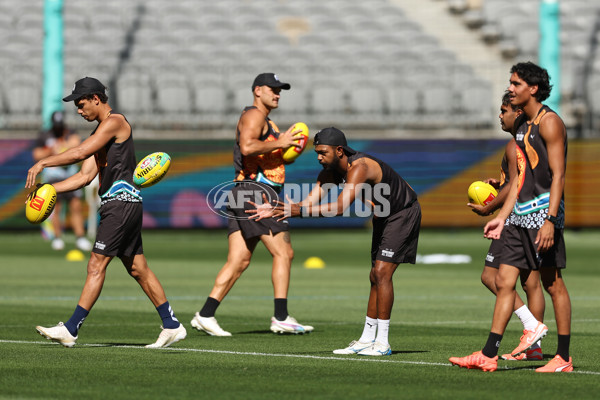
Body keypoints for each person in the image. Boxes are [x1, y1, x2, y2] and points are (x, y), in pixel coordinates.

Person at [26, 77, 186, 348]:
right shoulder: (99, 133)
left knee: (96, 264)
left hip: (121, 203)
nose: (78, 110)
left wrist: (43, 162)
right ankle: (172, 325)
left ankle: (72, 328)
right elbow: (84, 176)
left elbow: (79, 152)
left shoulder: (115, 122)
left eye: (81, 103)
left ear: (96, 98)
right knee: (138, 268)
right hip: (122, 205)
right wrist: (49, 189)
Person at [249, 127, 421, 356]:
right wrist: (278, 209)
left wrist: (297, 211)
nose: (319, 157)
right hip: (384, 216)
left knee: (382, 273)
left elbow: (339, 208)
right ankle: (366, 339)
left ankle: (383, 343)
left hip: (403, 213)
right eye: (317, 153)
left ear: (339, 150)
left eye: (323, 152)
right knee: (374, 276)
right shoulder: (329, 173)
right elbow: (309, 203)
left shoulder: (359, 167)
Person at [450, 62, 573, 372]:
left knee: (552, 284)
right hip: (519, 216)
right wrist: (502, 216)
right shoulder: (524, 128)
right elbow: (518, 180)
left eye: (516, 83)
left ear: (532, 89)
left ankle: (563, 358)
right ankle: (488, 355)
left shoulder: (549, 123)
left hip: (542, 216)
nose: (511, 88)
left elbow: (558, 176)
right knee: (503, 281)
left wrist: (550, 219)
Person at [190, 73, 313, 336]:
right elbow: (246, 147)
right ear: (258, 90)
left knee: (239, 260)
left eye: (281, 90)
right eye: (273, 89)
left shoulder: (266, 120)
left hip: (242, 192)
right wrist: (281, 142)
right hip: (257, 193)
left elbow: (270, 155)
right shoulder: (255, 116)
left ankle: (206, 314)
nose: (277, 93)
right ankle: (281, 317)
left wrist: (287, 151)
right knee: (284, 253)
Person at [468, 92, 546, 361]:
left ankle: (531, 326)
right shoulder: (524, 142)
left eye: (504, 111)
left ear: (518, 113)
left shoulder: (515, 145)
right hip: (529, 214)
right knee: (531, 282)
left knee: (491, 277)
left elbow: (516, 184)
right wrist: (498, 186)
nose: (500, 116)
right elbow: (516, 180)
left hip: (514, 216)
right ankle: (534, 347)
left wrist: (491, 208)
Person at [32, 111, 93, 251]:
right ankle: (57, 238)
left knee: (76, 206)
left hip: (70, 175)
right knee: (55, 208)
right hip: (53, 175)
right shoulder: (45, 135)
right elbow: (37, 154)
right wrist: (52, 150)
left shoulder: (70, 132)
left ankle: (80, 237)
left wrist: (62, 148)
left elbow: (76, 146)